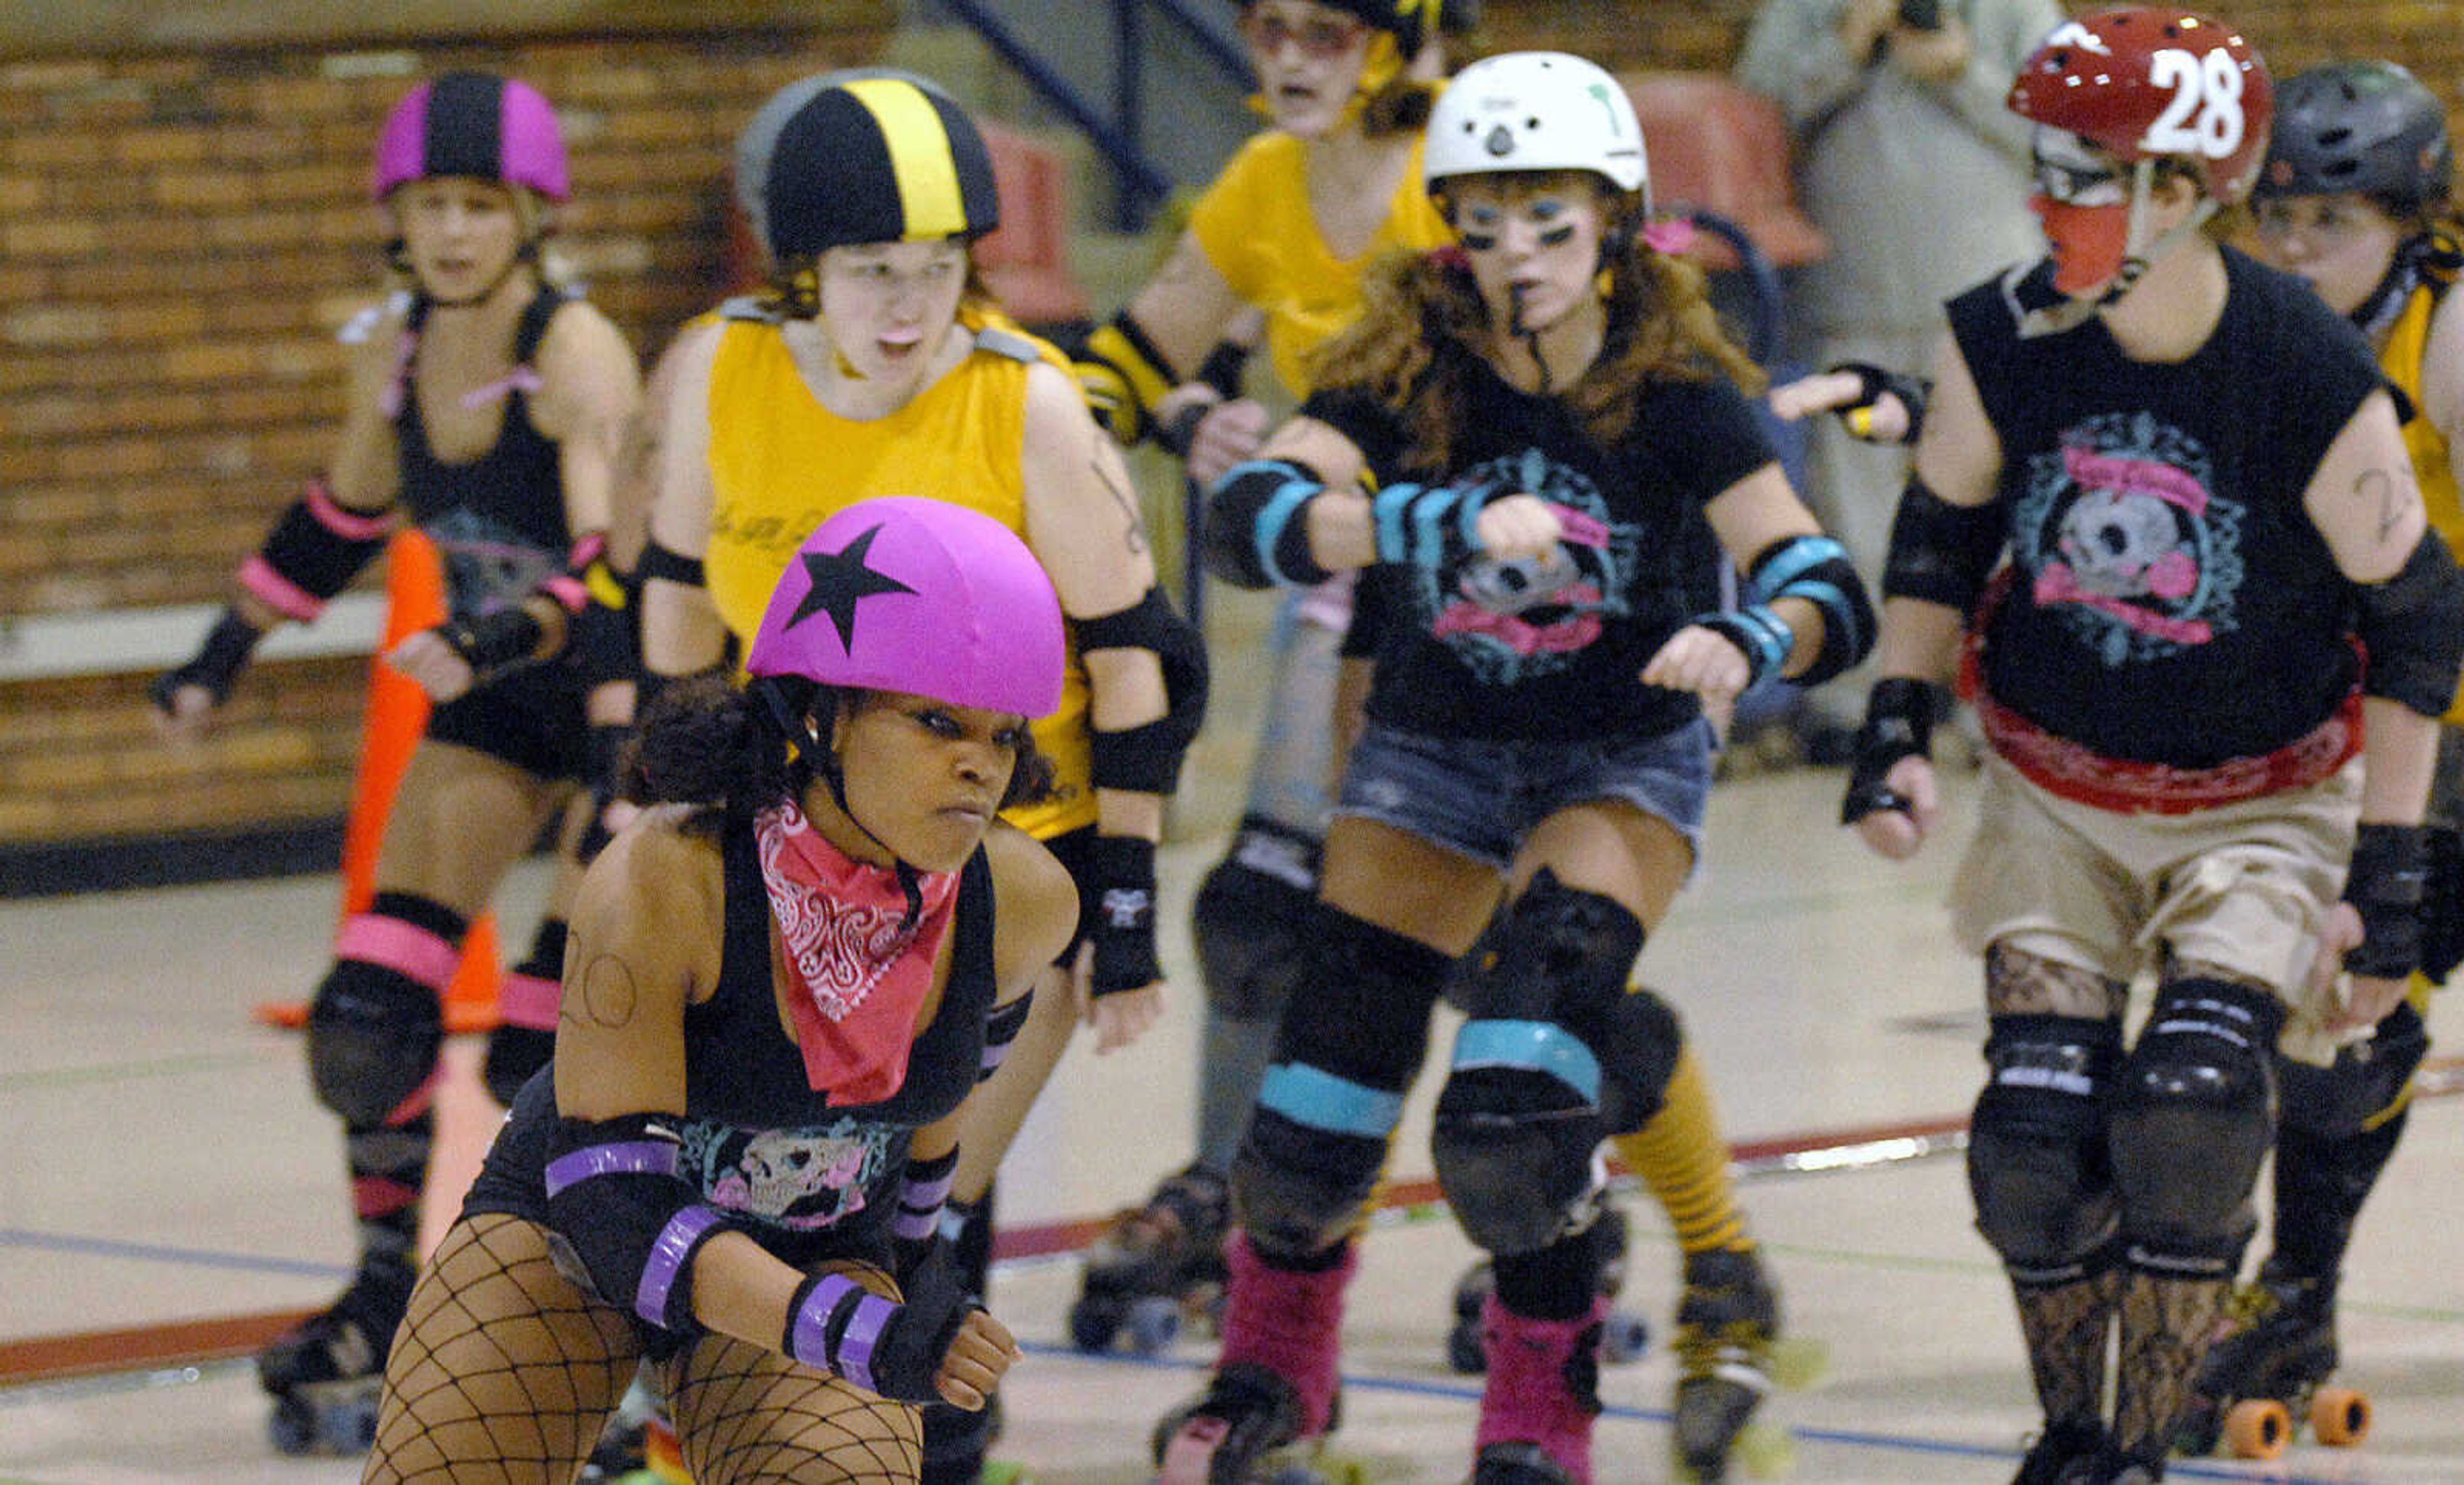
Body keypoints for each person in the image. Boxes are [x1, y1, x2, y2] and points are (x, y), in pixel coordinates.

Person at [1165, 51, 1874, 1484]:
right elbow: (1254, 516)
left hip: (1615, 752)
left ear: (1613, 218)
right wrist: (1425, 522)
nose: (1516, 256)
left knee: (1517, 1109)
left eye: (1549, 219)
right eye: (1484, 222)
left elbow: (1821, 580)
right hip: (1435, 748)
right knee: (1310, 1117)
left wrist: (1750, 634)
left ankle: (1541, 1417)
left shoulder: (1673, 385)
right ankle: (1273, 1374)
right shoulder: (1405, 364)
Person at [1067, 1, 1784, 1382]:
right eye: (1268, 23)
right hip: (1366, 560)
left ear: (1403, 41)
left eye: (1325, 32)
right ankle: (1250, 1193)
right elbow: (1125, 362)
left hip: (1549, 577)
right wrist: (1175, 421)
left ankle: (1658, 1218)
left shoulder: (1473, 159)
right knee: (1274, 927)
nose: (1287, 57)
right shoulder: (1266, 180)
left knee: (1526, 965)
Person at [1836, 12, 2464, 1482]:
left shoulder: (2311, 362)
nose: (2049, 199)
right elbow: (1940, 532)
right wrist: (1892, 723)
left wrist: (2389, 861)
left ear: (2185, 191)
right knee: (2030, 1146)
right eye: (2047, 167)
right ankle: (2074, 1435)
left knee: (2195, 1109)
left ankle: (2174, 1395)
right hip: (2058, 786)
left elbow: (2422, 614)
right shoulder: (2001, 327)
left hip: (2278, 783)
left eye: (2089, 172)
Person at [633, 68, 1206, 1481]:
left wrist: (1122, 906)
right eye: (874, 271)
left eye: (941, 270)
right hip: (793, 852)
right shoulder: (724, 366)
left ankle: (927, 1440)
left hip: (1000, 861)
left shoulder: (1027, 404)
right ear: (804, 267)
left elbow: (1141, 662)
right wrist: (648, 801)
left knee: (896, 1201)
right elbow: (672, 609)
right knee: (749, 1188)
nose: (908, 306)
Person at [360, 498, 1074, 1484]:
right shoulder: (668, 878)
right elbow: (618, 1207)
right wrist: (863, 1336)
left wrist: (919, 1273)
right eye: (937, 721)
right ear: (821, 713)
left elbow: (935, 1117)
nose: (979, 765)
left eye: (1003, 737)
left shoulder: (1025, 902)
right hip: (575, 1234)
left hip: (811, 1247)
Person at [150, 71, 644, 1450]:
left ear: (533, 216)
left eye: (480, 206)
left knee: (553, 1047)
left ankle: (596, 1316)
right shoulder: (403, 352)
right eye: (431, 205)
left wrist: (491, 644)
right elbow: (341, 513)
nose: (453, 231)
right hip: (498, 692)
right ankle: (384, 1294)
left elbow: (615, 568)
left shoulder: (577, 346)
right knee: (370, 1017)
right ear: (398, 220)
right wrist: (219, 651)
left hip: (623, 696)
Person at [2172, 57, 2464, 1454]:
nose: (2294, 253)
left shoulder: (2453, 335)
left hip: (2445, 712)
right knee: (2340, 1019)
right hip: (2361, 726)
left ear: (2412, 226)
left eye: (2330, 226)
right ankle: (2297, 1294)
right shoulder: (2247, 331)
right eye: (2274, 223)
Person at [1734, 0, 2061, 759]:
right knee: (1861, 512)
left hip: (1993, 296)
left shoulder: (2016, 8)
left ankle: (2003, 704)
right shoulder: (1805, 10)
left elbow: (2066, 137)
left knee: (2005, 504)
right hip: (1854, 298)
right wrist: (1846, 46)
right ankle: (1865, 703)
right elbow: (1758, 122)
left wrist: (1962, 72)